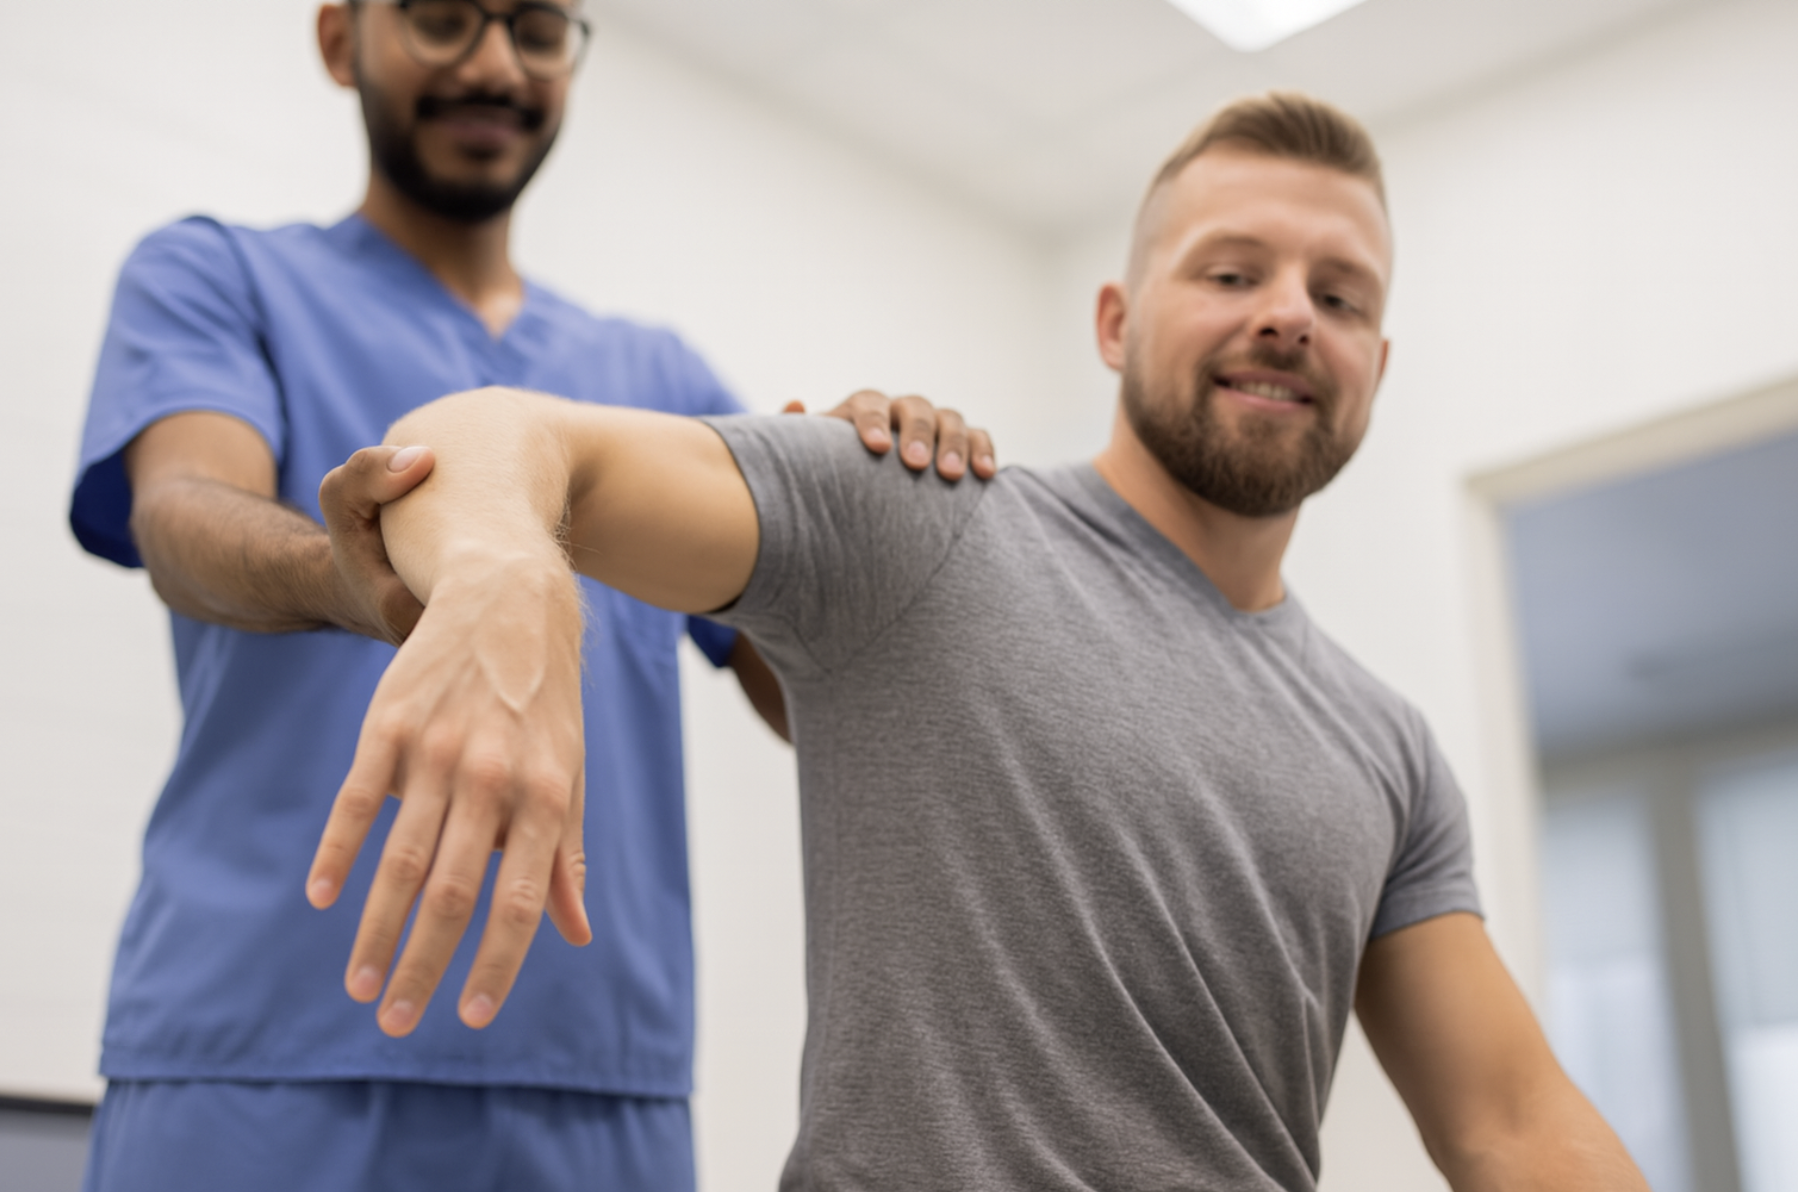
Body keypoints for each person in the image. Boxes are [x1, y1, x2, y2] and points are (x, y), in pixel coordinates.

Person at [315, 93, 1651, 1189]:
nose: (1290, 313)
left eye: (1340, 296)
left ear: (1374, 365)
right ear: (1115, 324)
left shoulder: (1388, 751)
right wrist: (510, 585)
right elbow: (491, 440)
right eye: (1232, 272)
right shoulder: (915, 513)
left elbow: (1512, 1126)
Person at [67, 1, 987, 1188]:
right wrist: (339, 572)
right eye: (445, 18)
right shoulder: (216, 274)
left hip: (597, 1087)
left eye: (538, 28)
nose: (495, 63)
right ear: (343, 40)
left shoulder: (659, 379)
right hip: (255, 1068)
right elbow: (183, 513)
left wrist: (881, 523)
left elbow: (824, 696)